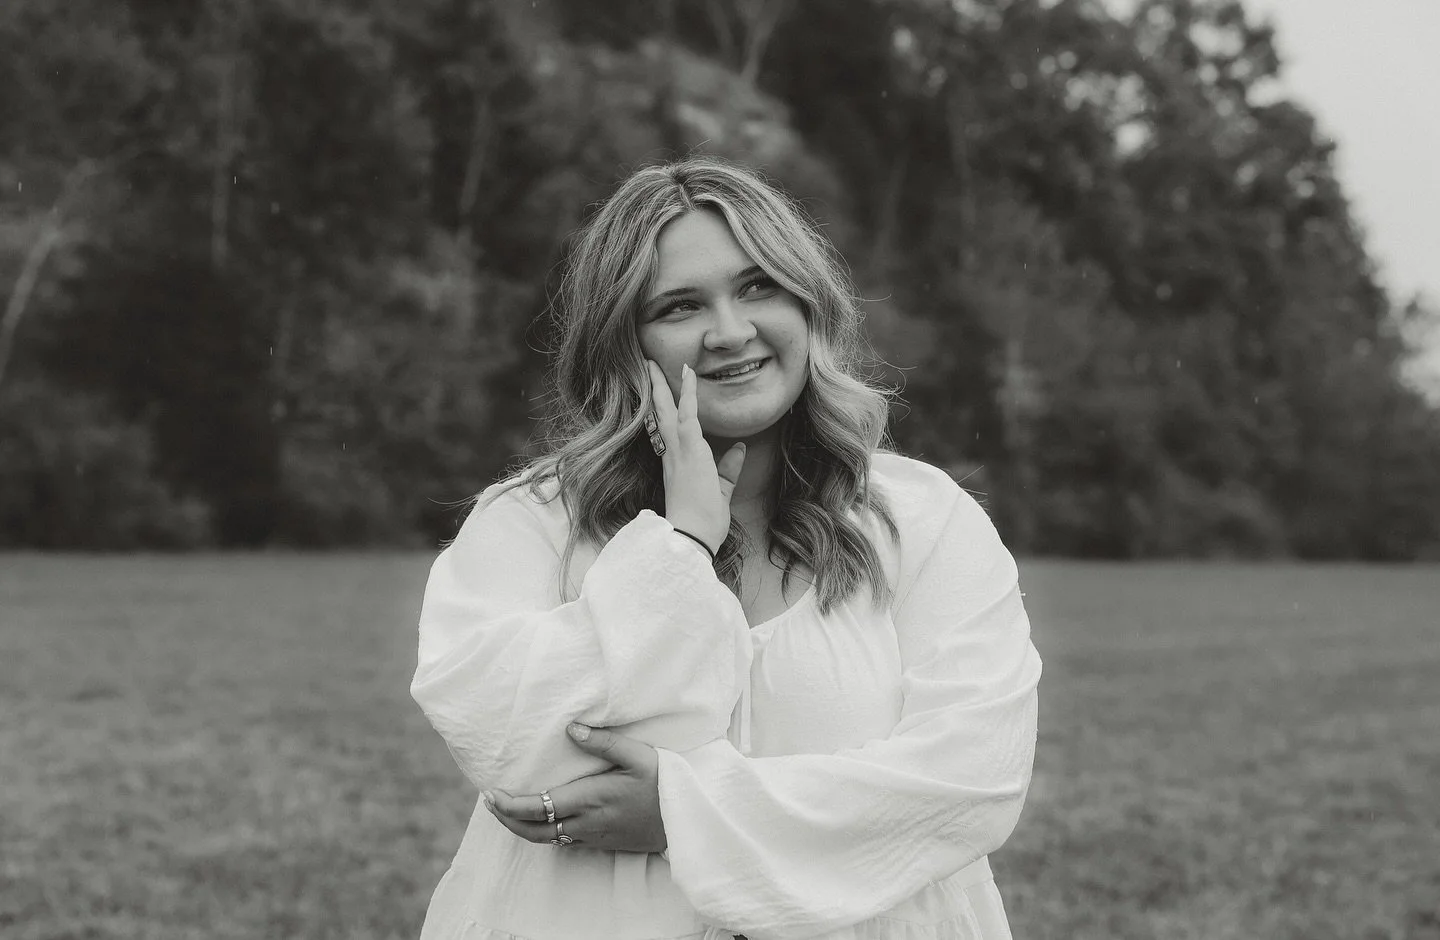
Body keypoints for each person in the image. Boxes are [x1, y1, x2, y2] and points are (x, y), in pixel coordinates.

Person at [409, 156, 1042, 940]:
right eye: (679, 306)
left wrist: (684, 816)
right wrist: (677, 547)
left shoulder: (922, 519)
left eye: (757, 286)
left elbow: (970, 782)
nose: (731, 332)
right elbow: (508, 746)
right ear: (623, 340)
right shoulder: (533, 522)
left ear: (807, 303)